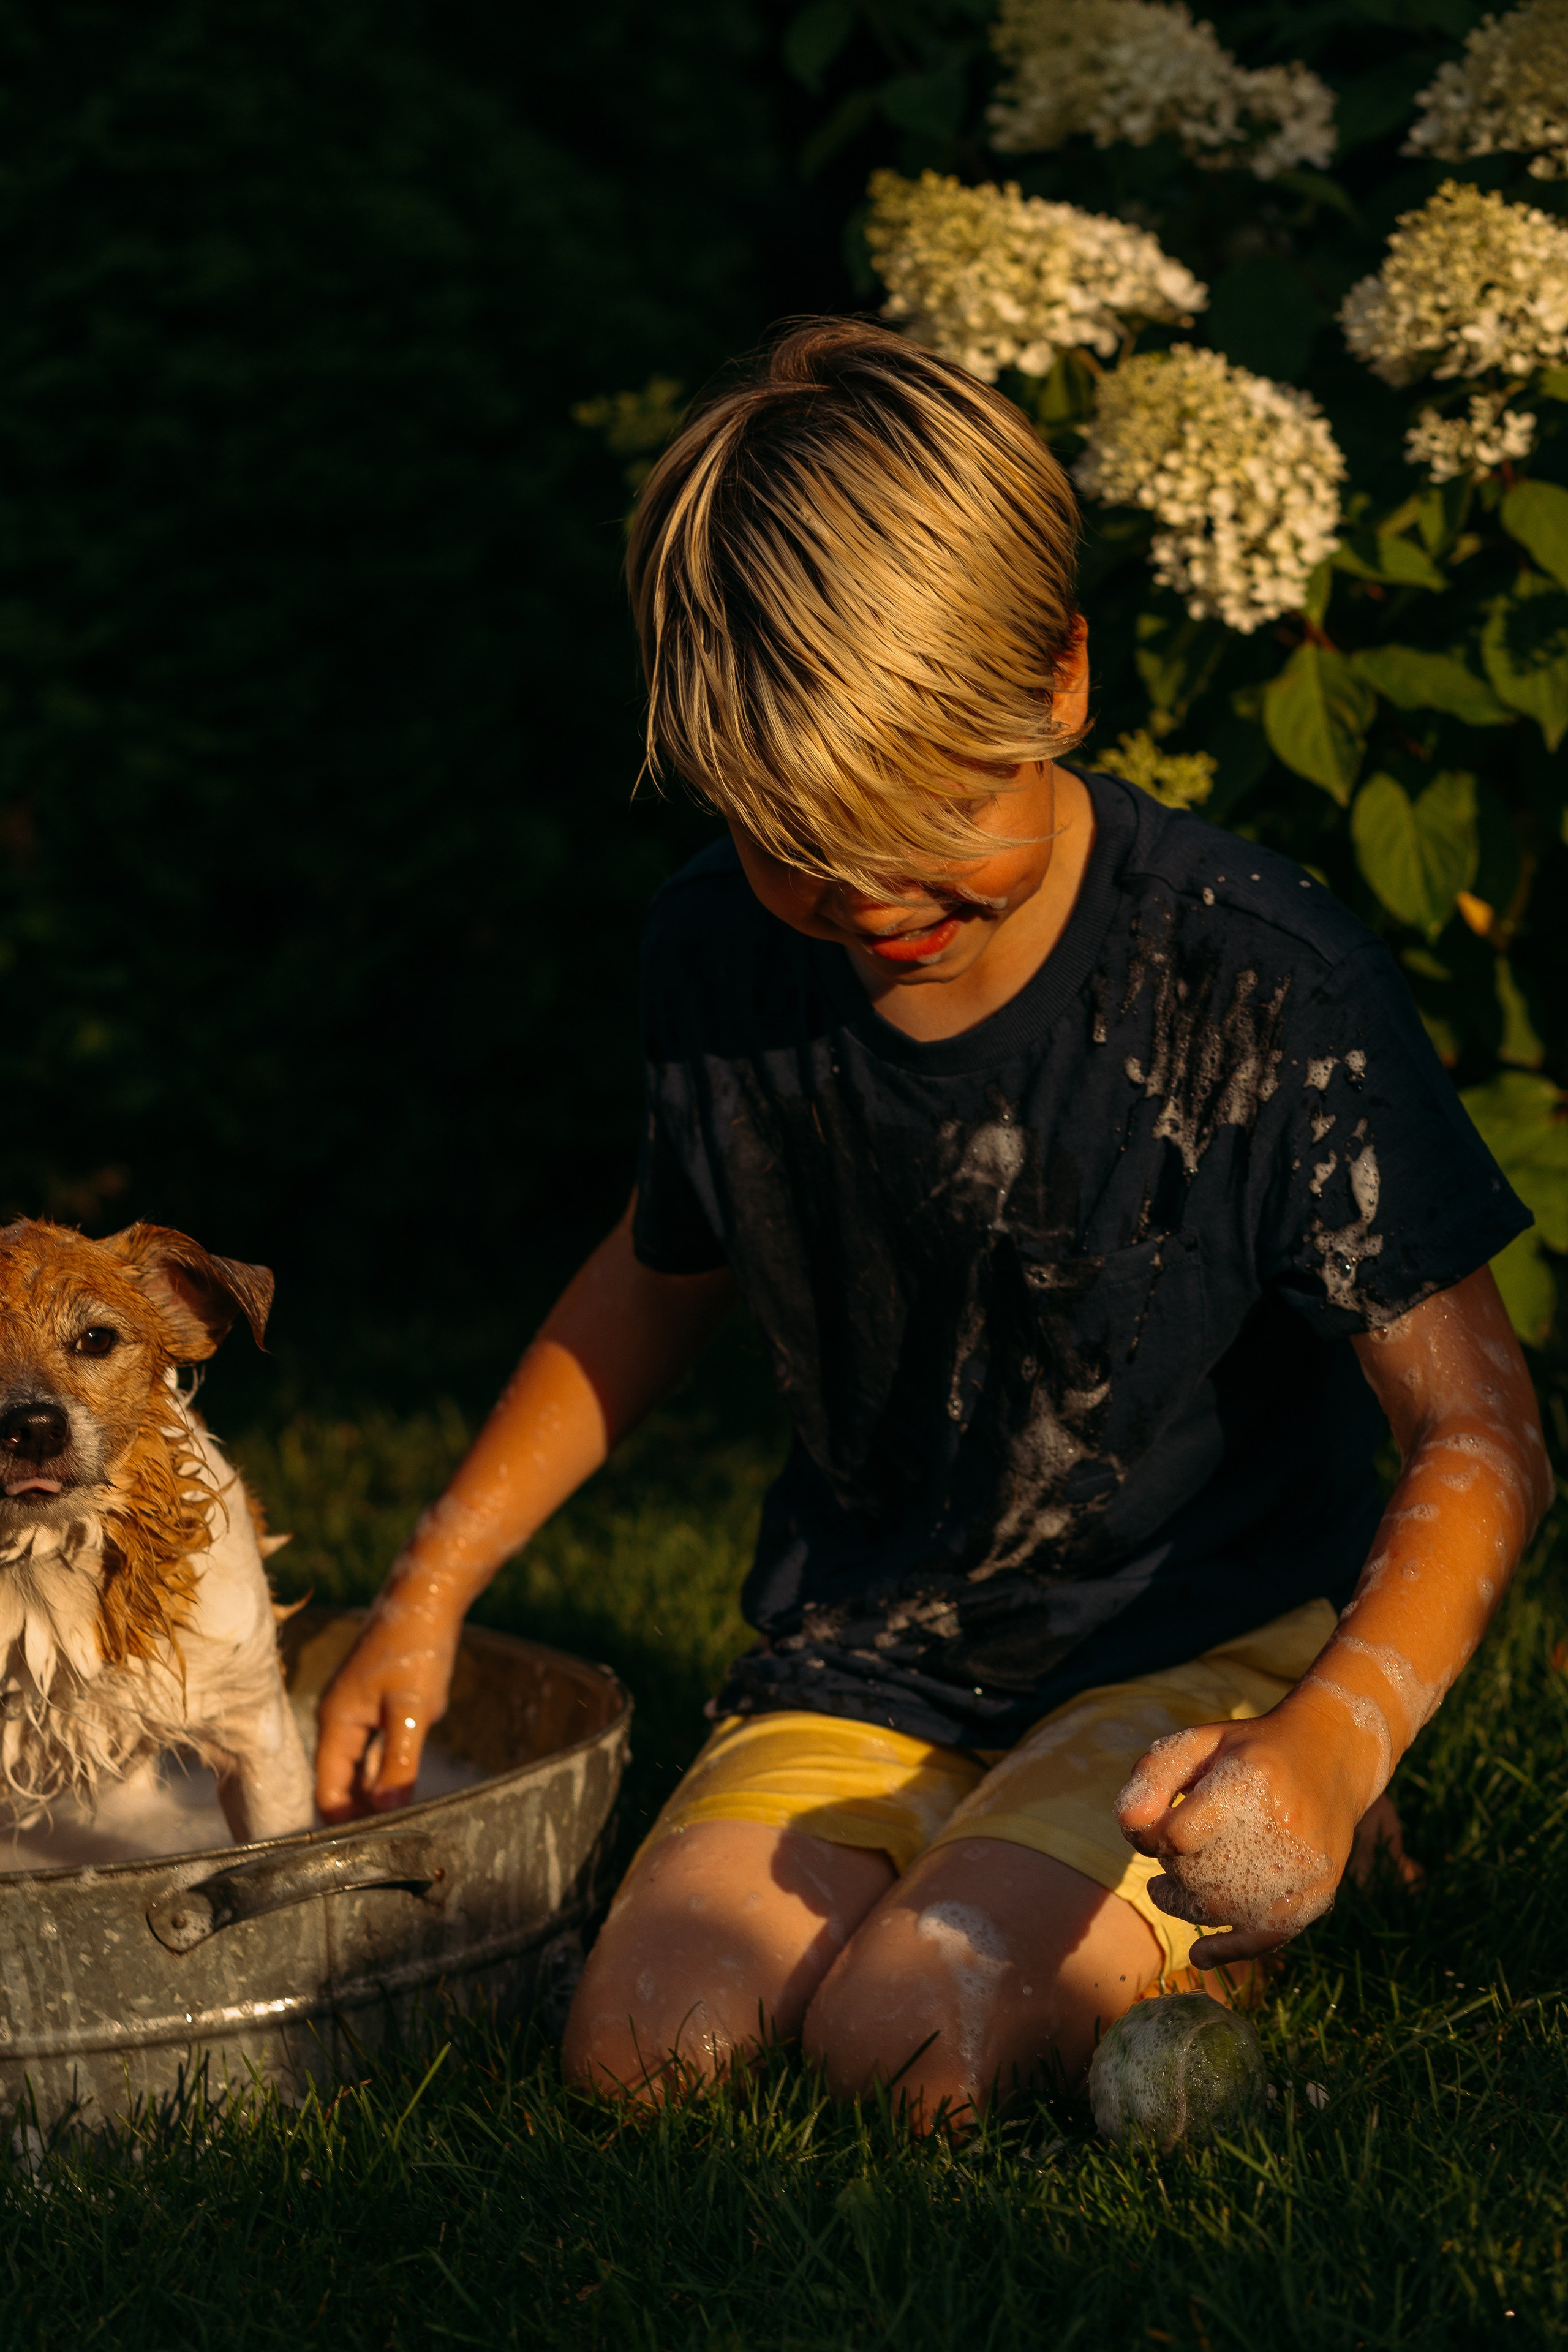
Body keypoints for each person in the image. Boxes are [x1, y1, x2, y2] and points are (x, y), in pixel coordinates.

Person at [314, 320, 1549, 2131]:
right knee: (650, 2053)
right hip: (872, 1653)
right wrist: (431, 1589)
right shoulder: (716, 955)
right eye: (800, 843)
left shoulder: (1261, 977)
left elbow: (1481, 1434)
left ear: (1062, 681)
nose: (874, 895)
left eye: (937, 811)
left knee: (916, 2046)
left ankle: (1314, 1852)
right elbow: (659, 1268)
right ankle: (987, 1849)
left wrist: (1330, 1742)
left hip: (1195, 1656)